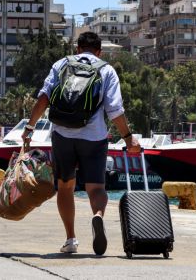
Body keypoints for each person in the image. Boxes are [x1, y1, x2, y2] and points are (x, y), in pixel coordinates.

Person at [21, 31, 141, 255]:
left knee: (65, 186)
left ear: (78, 49)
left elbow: (44, 97)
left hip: (62, 135)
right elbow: (114, 110)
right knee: (96, 187)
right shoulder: (106, 69)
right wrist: (128, 138)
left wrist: (30, 127)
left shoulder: (61, 64)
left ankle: (71, 239)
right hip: (94, 137)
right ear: (99, 51)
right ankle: (97, 216)